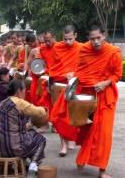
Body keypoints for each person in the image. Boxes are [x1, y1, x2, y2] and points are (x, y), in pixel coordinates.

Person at [74, 25, 122, 178]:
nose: (95, 42)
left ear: (104, 36)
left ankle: (102, 169)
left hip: (105, 96)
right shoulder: (84, 50)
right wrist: (74, 78)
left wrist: (105, 83)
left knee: (104, 133)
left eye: (98, 38)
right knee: (87, 129)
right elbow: (80, 70)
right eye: (92, 39)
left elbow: (117, 74)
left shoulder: (113, 52)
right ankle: (83, 158)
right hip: (87, 96)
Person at [0, 79, 47, 174]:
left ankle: (25, 163)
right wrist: (45, 108)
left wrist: (29, 125)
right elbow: (40, 112)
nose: (25, 92)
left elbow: (14, 126)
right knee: (40, 139)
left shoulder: (2, 103)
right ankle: (34, 163)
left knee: (29, 132)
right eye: (24, 90)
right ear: (19, 91)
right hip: (14, 148)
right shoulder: (19, 102)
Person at [49, 25, 81, 157]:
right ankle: (63, 145)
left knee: (73, 115)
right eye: (65, 39)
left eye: (71, 39)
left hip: (75, 85)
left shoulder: (81, 48)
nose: (68, 42)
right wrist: (64, 74)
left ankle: (72, 138)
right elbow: (53, 67)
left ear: (76, 36)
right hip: (60, 85)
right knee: (60, 116)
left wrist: (74, 73)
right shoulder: (57, 47)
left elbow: (84, 67)